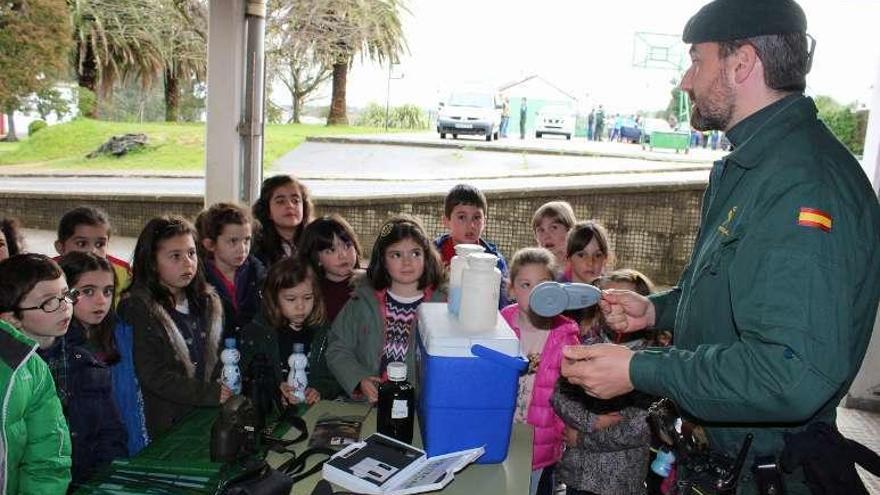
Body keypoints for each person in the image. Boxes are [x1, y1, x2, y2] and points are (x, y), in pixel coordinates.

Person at [561, 1, 880, 492]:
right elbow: (735, 290)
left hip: (765, 474)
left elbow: (787, 372)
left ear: (742, 63)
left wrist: (641, 368)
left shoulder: (803, 182)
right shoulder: (754, 166)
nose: (686, 80)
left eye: (696, 59)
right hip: (720, 464)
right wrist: (657, 312)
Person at [119, 216, 232, 438]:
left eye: (191, 253)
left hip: (207, 416)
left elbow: (219, 358)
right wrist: (208, 393)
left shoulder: (208, 301)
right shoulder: (138, 308)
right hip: (165, 423)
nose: (188, 263)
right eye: (175, 256)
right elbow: (152, 374)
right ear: (151, 262)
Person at [552, 269, 655, 495]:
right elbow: (559, 395)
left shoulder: (652, 361)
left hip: (618, 484)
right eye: (609, 302)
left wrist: (582, 438)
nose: (615, 311)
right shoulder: (587, 346)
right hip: (576, 477)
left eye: (624, 303)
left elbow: (638, 428)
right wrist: (591, 420)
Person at [326, 215, 446, 404]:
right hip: (369, 404)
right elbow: (337, 348)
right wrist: (359, 379)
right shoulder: (361, 300)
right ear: (382, 259)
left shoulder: (442, 305)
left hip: (421, 409)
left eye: (415, 253)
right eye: (396, 254)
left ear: (426, 256)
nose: (407, 262)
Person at [501, 247, 579, 495]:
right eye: (525, 285)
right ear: (511, 289)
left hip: (541, 442)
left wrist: (571, 426)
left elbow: (574, 392)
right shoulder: (498, 325)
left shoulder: (566, 337)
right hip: (500, 432)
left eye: (542, 286)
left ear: (555, 292)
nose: (534, 293)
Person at [51, 252, 128, 488]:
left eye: (107, 291)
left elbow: (109, 426)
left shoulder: (101, 338)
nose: (101, 301)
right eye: (87, 291)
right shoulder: (60, 350)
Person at [0, 253, 73, 493]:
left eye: (66, 295)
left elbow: (48, 459)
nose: (65, 307)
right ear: (11, 318)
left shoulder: (36, 371)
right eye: (49, 302)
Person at [240, 257, 342, 408]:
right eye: (291, 299)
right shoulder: (258, 332)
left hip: (313, 410)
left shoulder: (324, 331)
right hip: (273, 413)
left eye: (307, 298)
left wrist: (320, 390)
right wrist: (274, 389)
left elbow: (336, 376)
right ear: (274, 299)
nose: (300, 307)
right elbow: (244, 377)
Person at [196, 202, 266, 340]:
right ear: (210, 244)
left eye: (246, 240)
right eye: (233, 241)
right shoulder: (198, 280)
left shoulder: (259, 275)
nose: (242, 249)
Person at [433, 184, 510, 308]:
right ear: (446, 221)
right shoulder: (432, 256)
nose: (471, 225)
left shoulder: (495, 261)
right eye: (462, 217)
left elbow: (502, 304)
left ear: (485, 222)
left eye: (477, 217)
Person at [54, 206, 132, 304]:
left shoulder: (122, 272)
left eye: (100, 244)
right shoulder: (47, 274)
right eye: (81, 244)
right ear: (60, 247)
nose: (92, 251)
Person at [297, 214, 364, 323]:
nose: (343, 255)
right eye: (331, 250)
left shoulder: (368, 283)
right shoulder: (311, 292)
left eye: (347, 245)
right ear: (316, 257)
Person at [251, 175, 314, 267]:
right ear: (267, 211)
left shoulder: (316, 241)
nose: (290, 206)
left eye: (295, 201)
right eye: (281, 201)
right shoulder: (255, 249)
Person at [532, 201, 577, 271]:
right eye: (541, 230)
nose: (546, 236)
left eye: (553, 228)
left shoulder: (582, 267)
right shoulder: (533, 269)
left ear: (569, 231)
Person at [566, 221, 612, 285]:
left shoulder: (613, 293)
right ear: (568, 258)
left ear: (605, 259)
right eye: (581, 255)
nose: (590, 263)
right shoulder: (555, 292)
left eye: (597, 255)